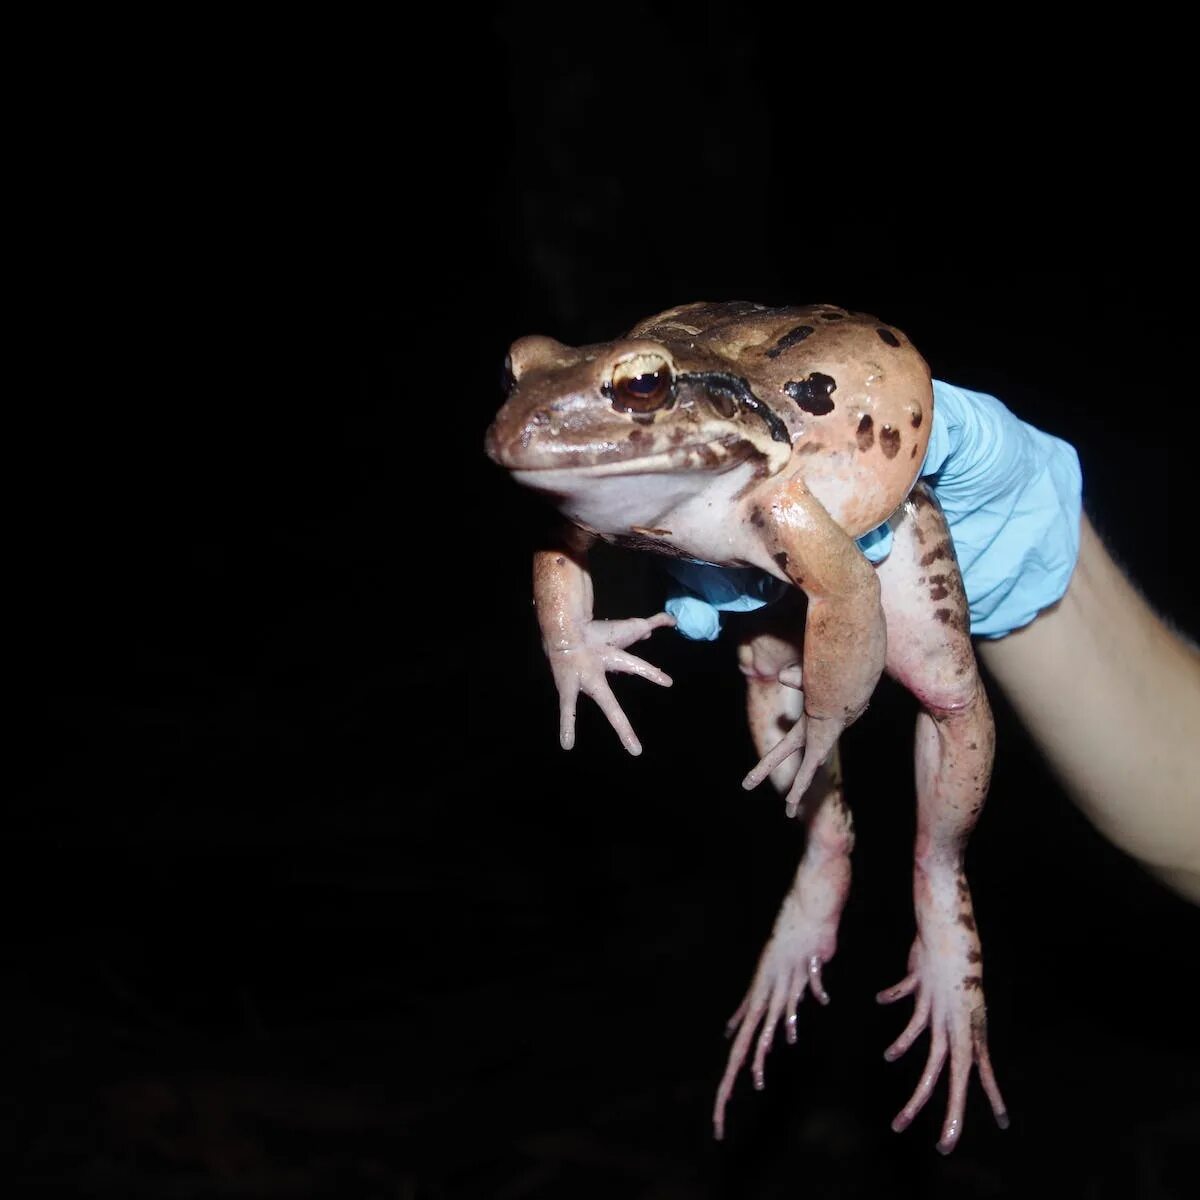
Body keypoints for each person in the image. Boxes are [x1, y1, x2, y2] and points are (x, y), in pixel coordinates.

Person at [664, 380, 1200, 903]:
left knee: (950, 696)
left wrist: (1037, 550)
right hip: (769, 502)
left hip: (877, 476)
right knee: (770, 657)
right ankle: (826, 852)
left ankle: (935, 877)